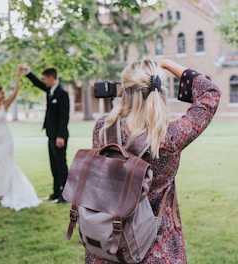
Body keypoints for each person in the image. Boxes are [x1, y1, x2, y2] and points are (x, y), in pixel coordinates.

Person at [86, 58, 221, 263]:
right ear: (159, 93)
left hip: (108, 241)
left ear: (124, 91)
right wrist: (167, 64)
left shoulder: (103, 129)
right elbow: (210, 94)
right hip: (156, 245)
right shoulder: (168, 137)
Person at [0, 65, 41, 211]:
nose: (3, 96)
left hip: (6, 141)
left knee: (6, 165)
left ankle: (6, 191)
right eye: (1, 93)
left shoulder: (4, 106)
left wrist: (18, 76)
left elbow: (16, 91)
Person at [18, 64, 69, 203]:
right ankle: (56, 192)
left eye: (45, 79)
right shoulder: (50, 90)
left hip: (59, 136)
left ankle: (65, 194)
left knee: (61, 165)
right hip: (50, 134)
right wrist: (28, 72)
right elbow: (37, 83)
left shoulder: (62, 93)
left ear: (51, 77)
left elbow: (64, 117)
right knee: (53, 164)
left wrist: (60, 136)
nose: (44, 81)